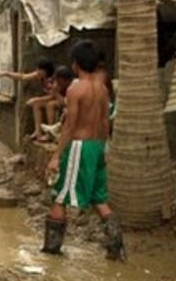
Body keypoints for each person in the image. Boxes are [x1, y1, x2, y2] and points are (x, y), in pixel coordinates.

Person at [43, 40, 125, 261]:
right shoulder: (102, 89)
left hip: (80, 146)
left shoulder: (76, 89)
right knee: (99, 198)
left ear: (76, 64)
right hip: (98, 145)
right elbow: (107, 121)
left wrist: (56, 156)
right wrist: (106, 146)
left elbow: (70, 126)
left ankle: (51, 251)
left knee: (60, 196)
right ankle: (116, 246)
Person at [0, 59, 56, 142]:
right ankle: (38, 131)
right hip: (51, 97)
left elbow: (54, 96)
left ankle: (51, 132)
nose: (37, 71)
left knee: (48, 104)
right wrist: (6, 73)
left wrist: (37, 99)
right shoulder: (39, 76)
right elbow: (23, 77)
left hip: (60, 99)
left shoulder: (53, 80)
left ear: (46, 71)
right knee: (36, 105)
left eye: (40, 70)